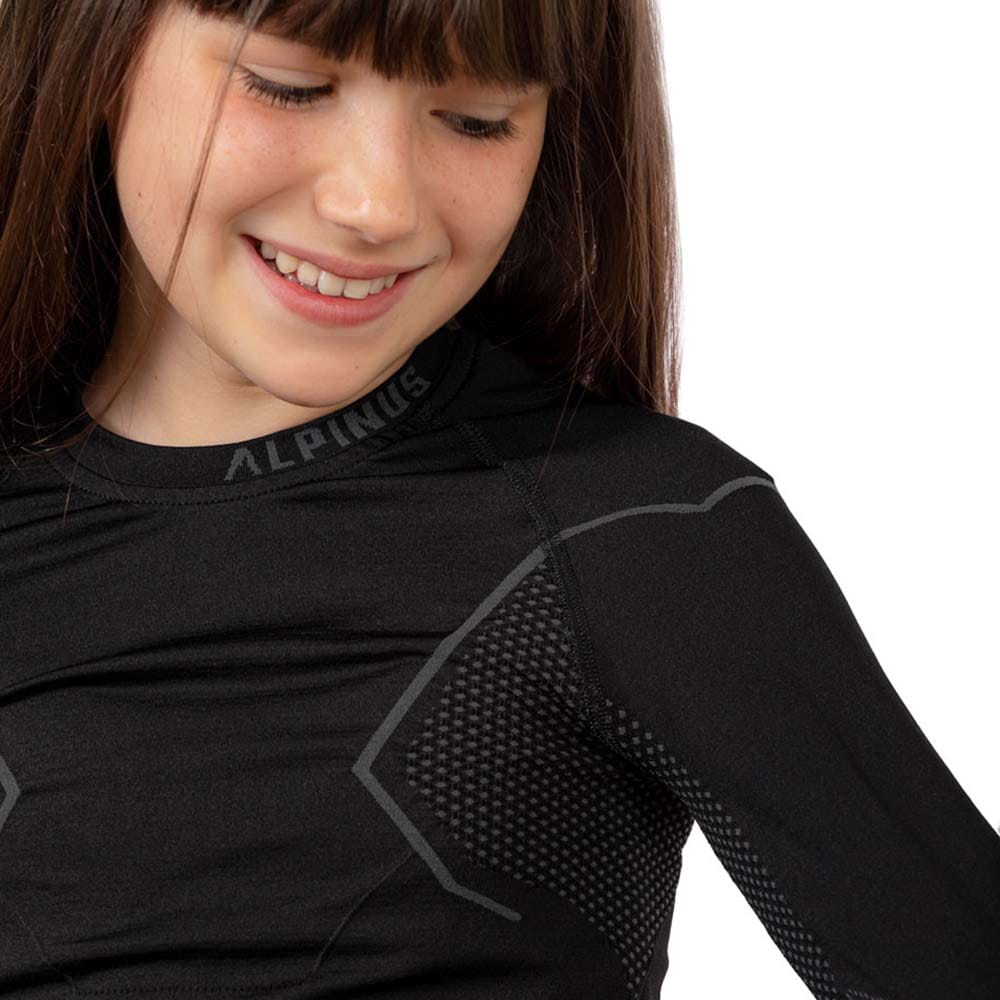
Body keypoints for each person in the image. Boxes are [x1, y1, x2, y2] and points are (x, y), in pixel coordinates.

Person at [0, 2, 996, 998]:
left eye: (478, 118)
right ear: (94, 47)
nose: (378, 203)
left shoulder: (638, 535)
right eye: (289, 86)